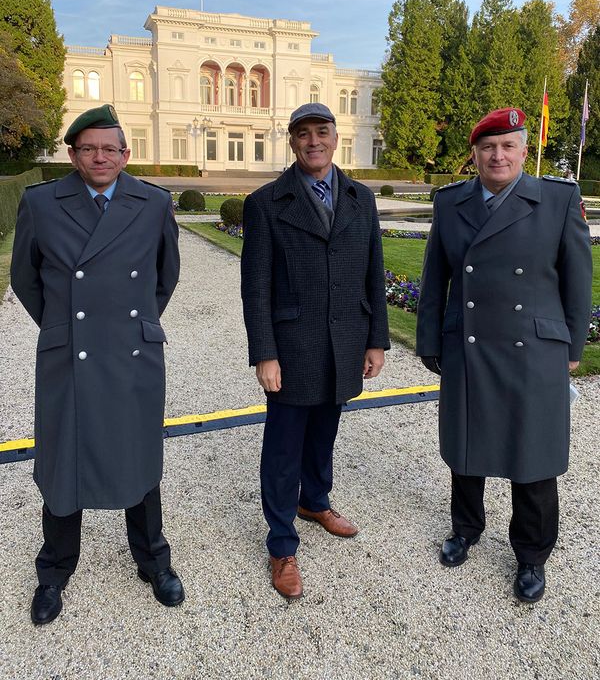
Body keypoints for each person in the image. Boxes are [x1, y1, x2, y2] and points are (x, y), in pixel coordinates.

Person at [11, 104, 184, 625]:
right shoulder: (41, 202)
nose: (100, 157)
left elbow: (164, 276)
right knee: (64, 461)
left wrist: (131, 326)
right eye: (89, 148)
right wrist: (64, 327)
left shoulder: (153, 202)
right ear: (73, 154)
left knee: (138, 456)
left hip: (132, 350)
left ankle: (152, 559)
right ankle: (55, 571)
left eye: (110, 148)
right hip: (70, 355)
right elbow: (25, 279)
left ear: (125, 154)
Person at [416, 107, 592, 603]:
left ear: (522, 150)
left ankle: (532, 555)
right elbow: (436, 279)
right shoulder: (451, 203)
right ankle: (466, 529)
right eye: (488, 147)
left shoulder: (557, 199)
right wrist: (430, 339)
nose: (498, 155)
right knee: (466, 446)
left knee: (532, 455)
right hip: (469, 342)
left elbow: (579, 281)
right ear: (474, 155)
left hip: (533, 349)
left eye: (508, 145)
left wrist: (573, 348)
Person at [240, 103, 390, 599]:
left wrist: (376, 339)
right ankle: (282, 543)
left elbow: (374, 272)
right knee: (283, 449)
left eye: (321, 132)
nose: (313, 141)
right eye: (302, 134)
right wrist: (265, 352)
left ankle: (315, 501)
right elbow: (256, 285)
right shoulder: (266, 203)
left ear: (334, 136)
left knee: (325, 430)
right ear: (291, 141)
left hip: (345, 341)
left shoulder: (359, 198)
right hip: (293, 345)